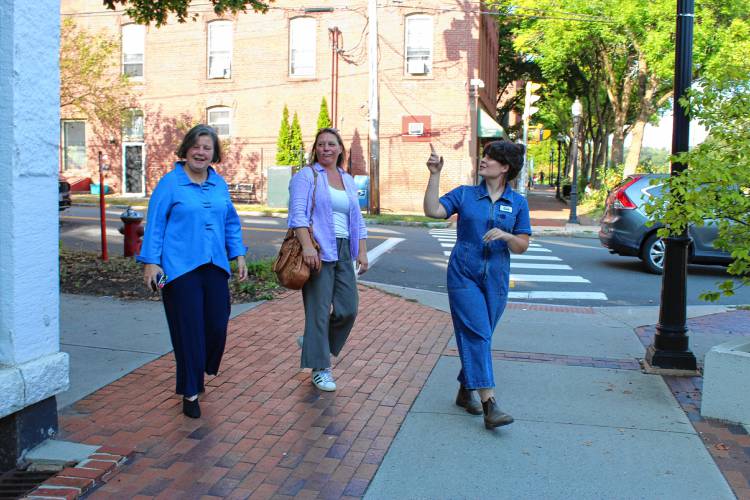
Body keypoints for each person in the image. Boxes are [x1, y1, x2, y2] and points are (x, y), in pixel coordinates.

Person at [137, 124, 248, 419]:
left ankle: (199, 367)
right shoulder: (170, 183)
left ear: (214, 154)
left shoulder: (219, 183)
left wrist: (238, 254)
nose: (201, 152)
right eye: (196, 146)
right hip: (179, 268)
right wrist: (151, 261)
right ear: (186, 150)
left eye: (207, 147)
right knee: (188, 331)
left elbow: (230, 223)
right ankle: (190, 390)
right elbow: (155, 224)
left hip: (215, 265)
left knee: (216, 324)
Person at [423, 141, 531, 429]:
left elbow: (522, 245)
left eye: (490, 158)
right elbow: (433, 210)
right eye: (483, 156)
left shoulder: (517, 203)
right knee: (478, 333)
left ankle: (464, 390)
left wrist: (506, 236)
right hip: (463, 275)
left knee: (481, 336)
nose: (483, 161)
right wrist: (434, 174)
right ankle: (490, 404)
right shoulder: (466, 195)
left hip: (496, 279)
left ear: (505, 167)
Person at [288, 127, 368, 392]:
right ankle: (320, 368)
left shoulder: (346, 178)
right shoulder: (307, 176)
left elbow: (357, 218)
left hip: (344, 249)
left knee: (348, 309)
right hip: (319, 250)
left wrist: (362, 250)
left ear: (340, 149)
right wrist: (308, 247)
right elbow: (298, 215)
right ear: (315, 149)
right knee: (319, 312)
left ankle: (314, 342)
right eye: (321, 144)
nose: (326, 148)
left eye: (331, 144)